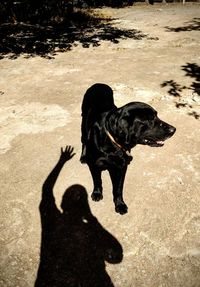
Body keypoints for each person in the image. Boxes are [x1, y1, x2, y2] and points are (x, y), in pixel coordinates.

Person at [35, 146, 123, 287]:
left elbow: (46, 189)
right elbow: (116, 256)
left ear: (63, 204)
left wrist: (61, 161)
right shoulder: (91, 230)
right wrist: (92, 219)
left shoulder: (52, 221)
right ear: (85, 207)